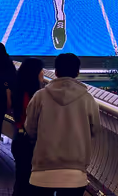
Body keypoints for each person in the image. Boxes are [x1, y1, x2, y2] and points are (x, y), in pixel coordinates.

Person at [25, 52, 99, 195]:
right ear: (77, 72)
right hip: (75, 173)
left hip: (42, 171)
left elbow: (30, 128)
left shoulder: (40, 96)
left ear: (56, 72)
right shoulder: (88, 99)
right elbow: (95, 129)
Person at [11, 57, 45, 196]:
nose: (43, 73)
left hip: (19, 137)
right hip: (28, 142)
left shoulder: (19, 89)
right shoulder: (34, 95)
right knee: (28, 182)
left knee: (21, 179)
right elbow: (31, 119)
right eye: (41, 70)